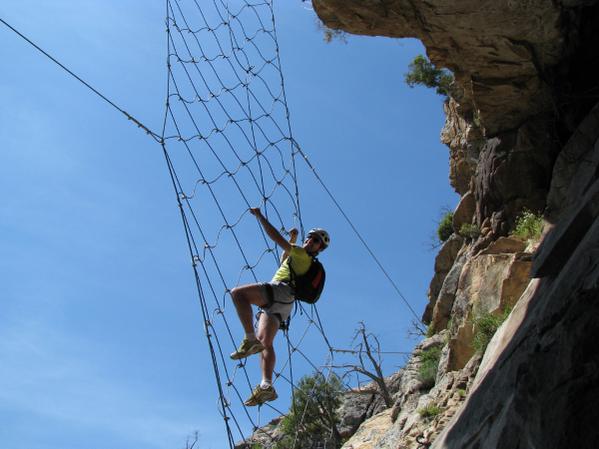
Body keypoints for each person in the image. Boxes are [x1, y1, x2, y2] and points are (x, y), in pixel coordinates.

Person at [230, 207, 330, 406]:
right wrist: (293, 239)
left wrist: (260, 216)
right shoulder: (300, 257)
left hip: (281, 291)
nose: (311, 240)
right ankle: (266, 385)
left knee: (238, 294)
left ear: (319, 248)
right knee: (265, 342)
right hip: (285, 304)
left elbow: (276, 238)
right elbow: (285, 259)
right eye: (310, 237)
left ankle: (248, 339)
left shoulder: (303, 255)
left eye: (316, 240)